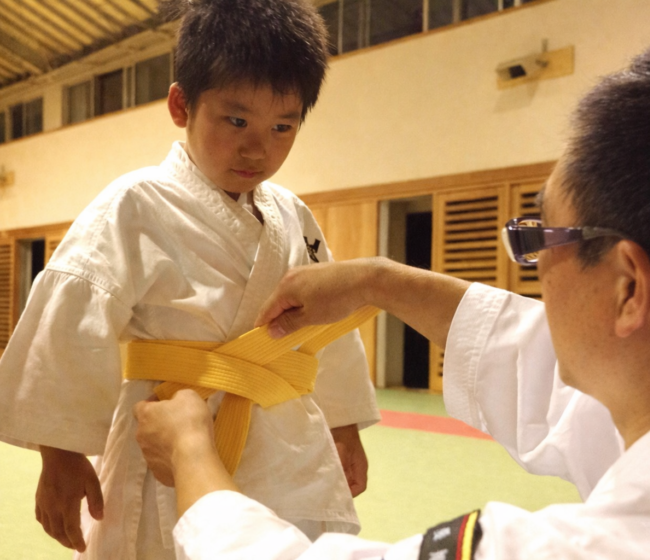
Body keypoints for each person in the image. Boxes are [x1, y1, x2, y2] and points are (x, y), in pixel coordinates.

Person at [134, 41, 650, 558]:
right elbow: (552, 373)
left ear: (629, 288)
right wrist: (378, 280)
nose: (535, 272)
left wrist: (195, 457)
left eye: (543, 237)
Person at [0, 0, 379, 557]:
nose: (258, 147)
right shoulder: (134, 203)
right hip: (170, 430)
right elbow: (74, 313)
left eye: (283, 126)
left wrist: (344, 425)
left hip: (285, 441)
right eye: (236, 120)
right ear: (181, 105)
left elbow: (326, 325)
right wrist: (59, 453)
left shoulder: (292, 214)